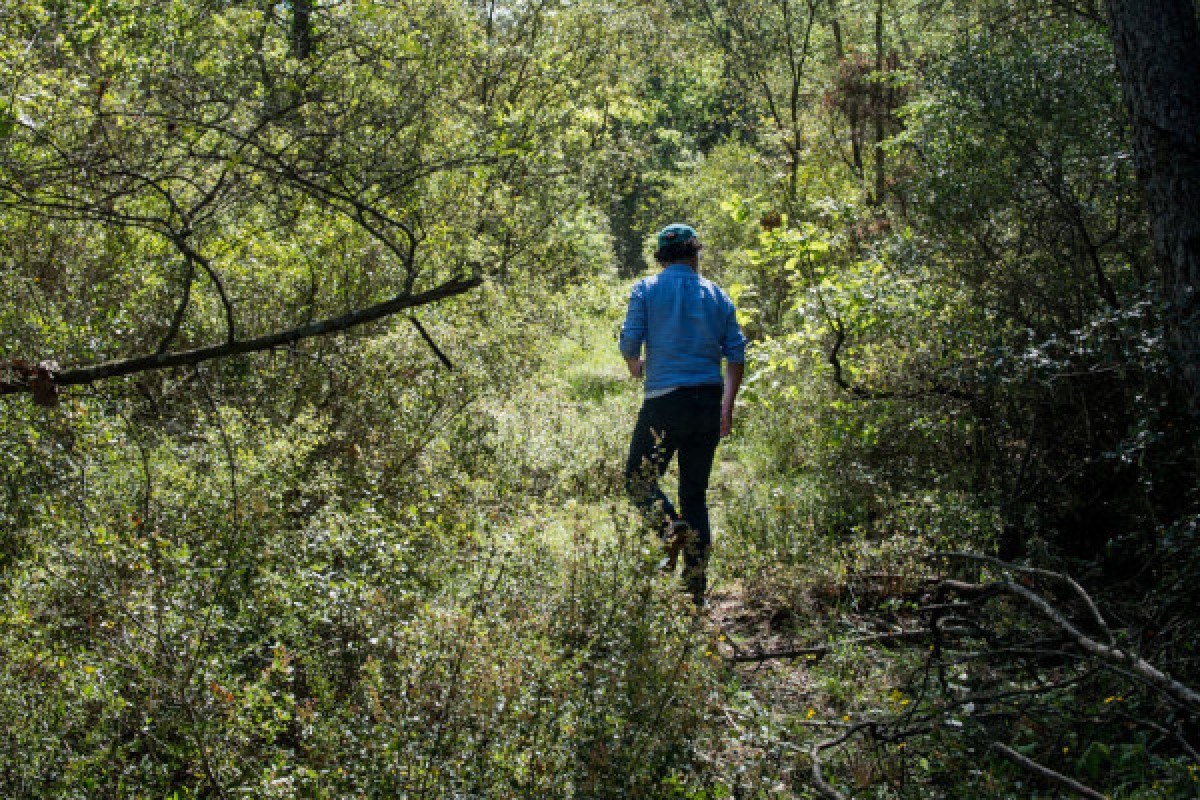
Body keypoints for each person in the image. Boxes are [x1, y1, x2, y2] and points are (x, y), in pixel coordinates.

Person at [619, 223, 747, 606]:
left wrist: (634, 363)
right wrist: (727, 407)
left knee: (639, 482)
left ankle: (668, 527)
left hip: (665, 402)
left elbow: (630, 340)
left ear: (661, 256)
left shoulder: (646, 289)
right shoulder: (718, 295)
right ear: (695, 254)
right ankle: (695, 590)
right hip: (708, 401)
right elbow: (736, 354)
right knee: (695, 495)